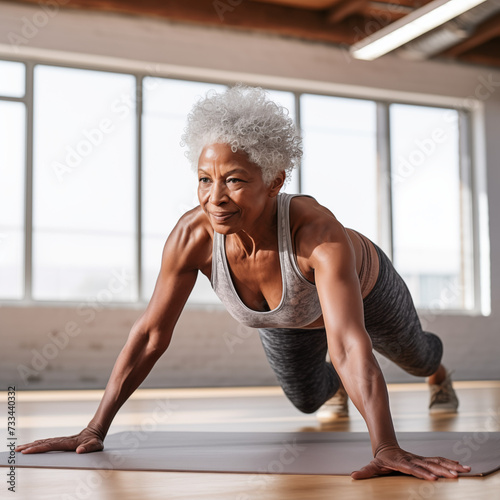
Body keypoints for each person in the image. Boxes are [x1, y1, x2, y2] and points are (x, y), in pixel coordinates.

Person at [16, 84, 468, 481]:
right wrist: (95, 429)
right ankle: (343, 390)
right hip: (289, 320)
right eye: (204, 180)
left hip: (366, 294)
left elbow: (347, 345)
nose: (215, 198)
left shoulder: (318, 235)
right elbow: (152, 334)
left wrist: (385, 447)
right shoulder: (191, 237)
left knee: (415, 356)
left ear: (274, 181)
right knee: (309, 400)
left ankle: (439, 374)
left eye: (234, 180)